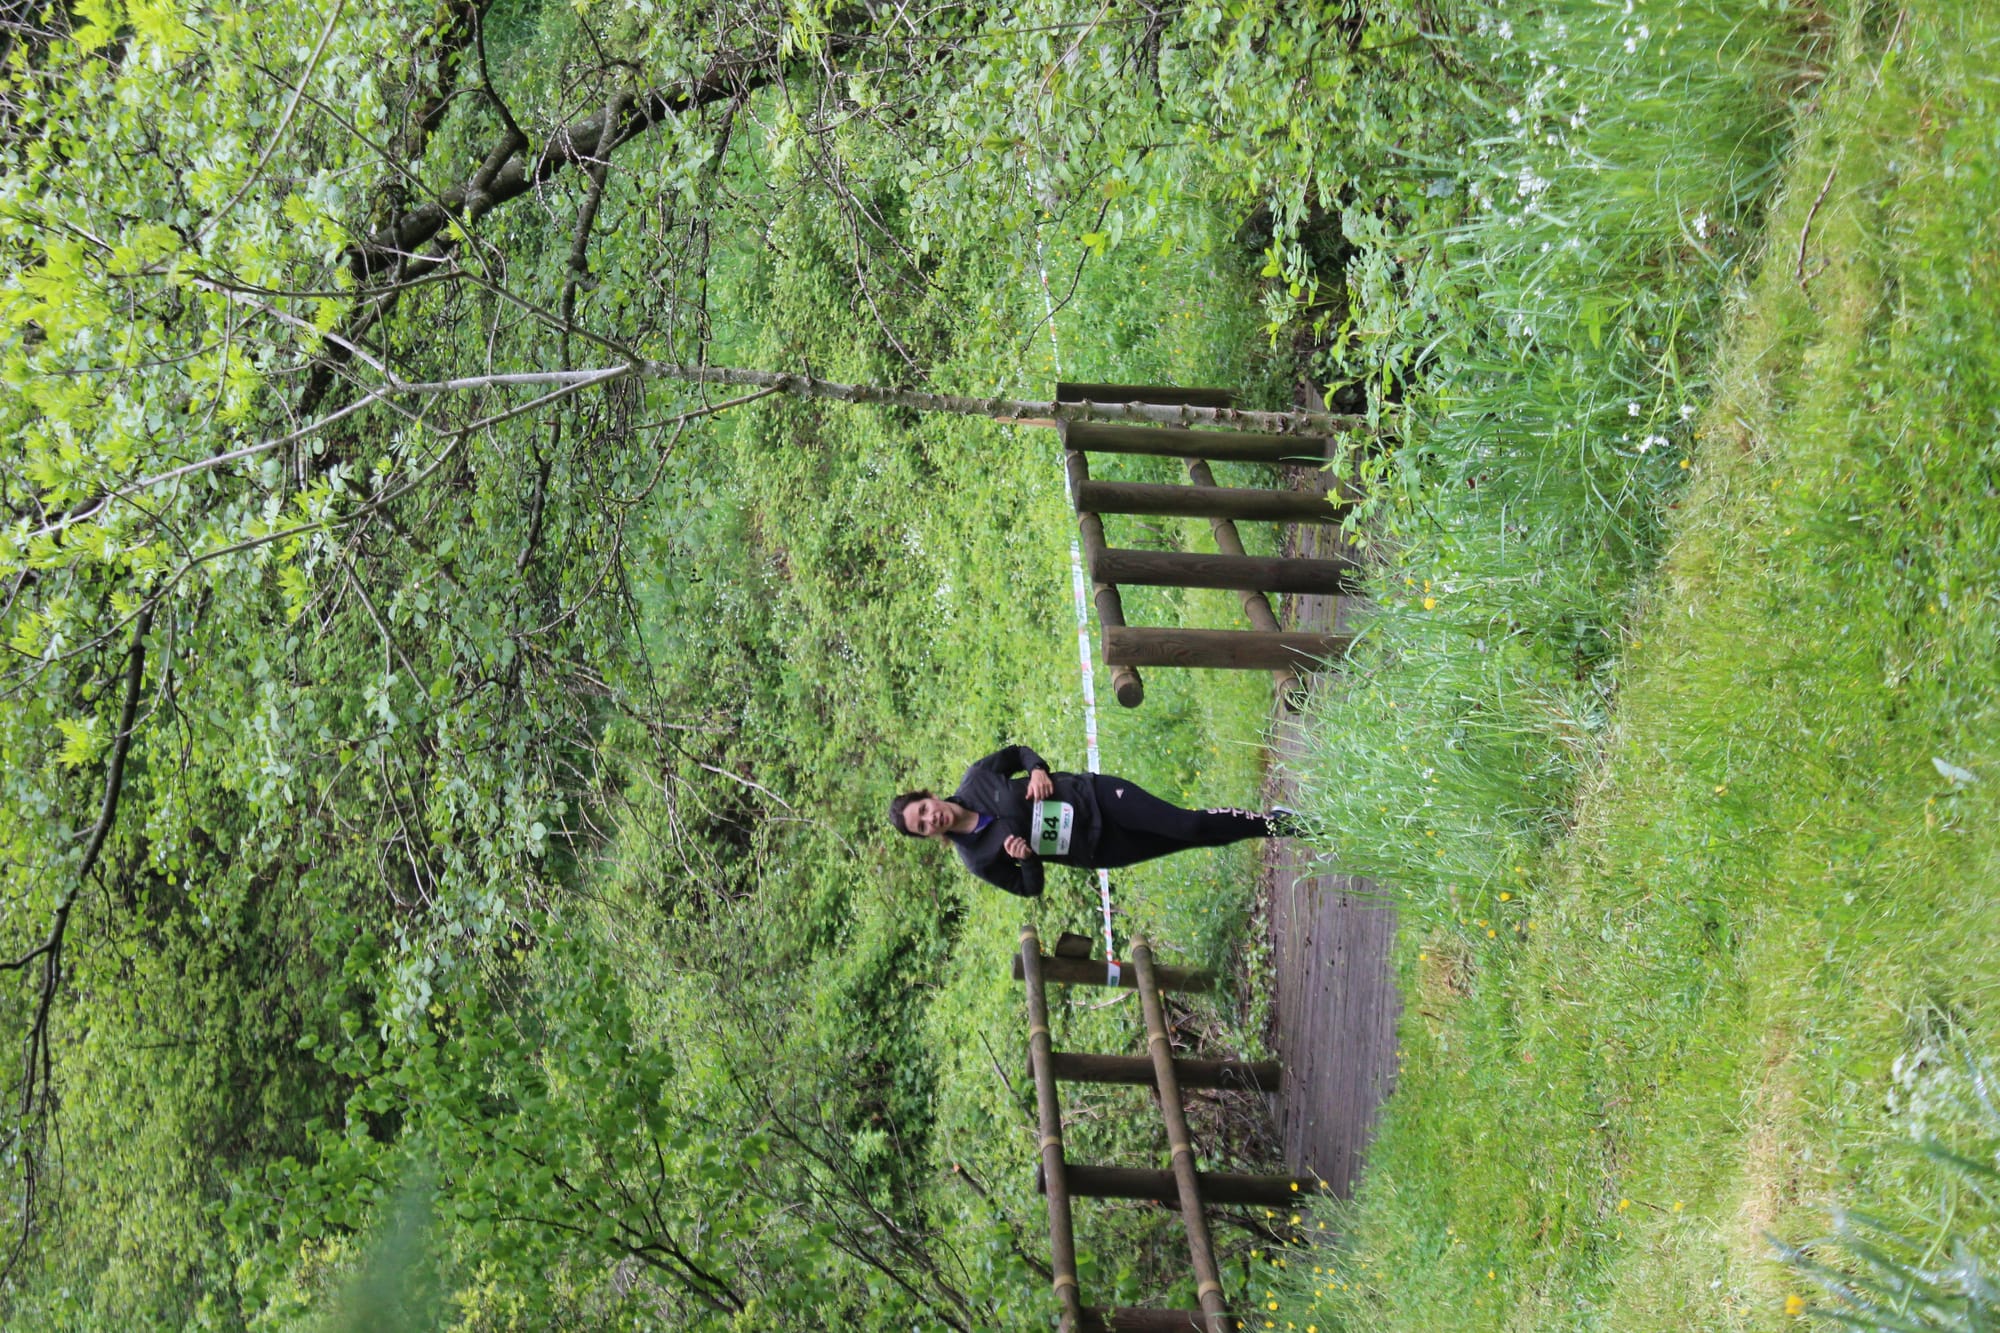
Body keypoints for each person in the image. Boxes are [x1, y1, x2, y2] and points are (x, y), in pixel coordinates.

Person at [888, 743, 1295, 897]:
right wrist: (1027, 859)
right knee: (1193, 839)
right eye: (922, 826)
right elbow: (1029, 889)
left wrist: (1038, 770)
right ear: (927, 836)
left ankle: (1276, 824)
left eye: (923, 810)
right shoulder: (977, 860)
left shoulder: (977, 778)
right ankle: (1271, 822)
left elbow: (1019, 753)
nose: (931, 819)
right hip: (1098, 847)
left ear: (928, 796)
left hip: (1097, 797)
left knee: (1186, 825)